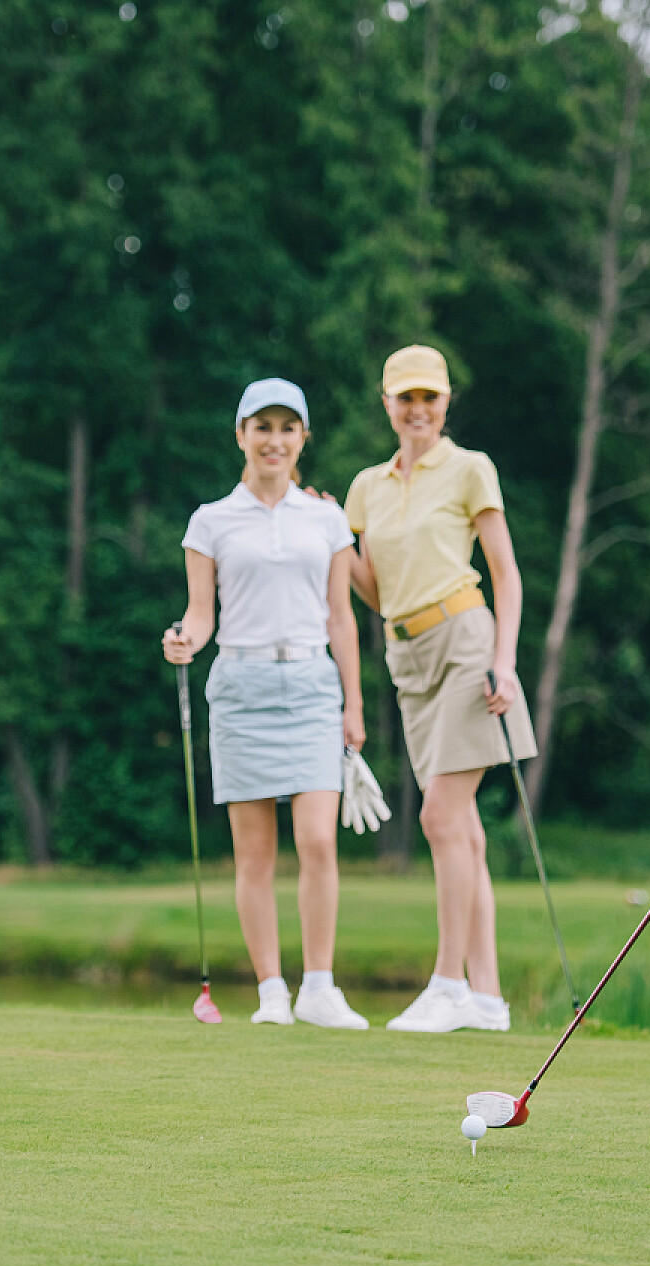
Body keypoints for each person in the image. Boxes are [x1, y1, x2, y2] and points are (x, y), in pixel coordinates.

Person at [162, 378, 371, 1031]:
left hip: (311, 683)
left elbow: (342, 619)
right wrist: (182, 639)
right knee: (254, 853)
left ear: (302, 437)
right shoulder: (211, 520)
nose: (274, 439)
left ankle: (319, 987)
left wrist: (354, 704)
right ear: (241, 435)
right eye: (262, 427)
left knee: (316, 839)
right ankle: (272, 991)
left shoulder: (326, 518)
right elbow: (202, 615)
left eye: (287, 427)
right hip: (242, 688)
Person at [343, 345, 535, 1034]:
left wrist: (505, 659)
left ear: (446, 402)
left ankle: (449, 984)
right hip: (407, 658)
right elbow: (371, 588)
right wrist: (335, 536)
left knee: (437, 818)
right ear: (387, 403)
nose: (418, 410)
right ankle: (487, 997)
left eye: (429, 397)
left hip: (466, 643)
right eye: (406, 398)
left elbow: (506, 573)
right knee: (462, 829)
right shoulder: (365, 485)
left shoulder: (469, 468)